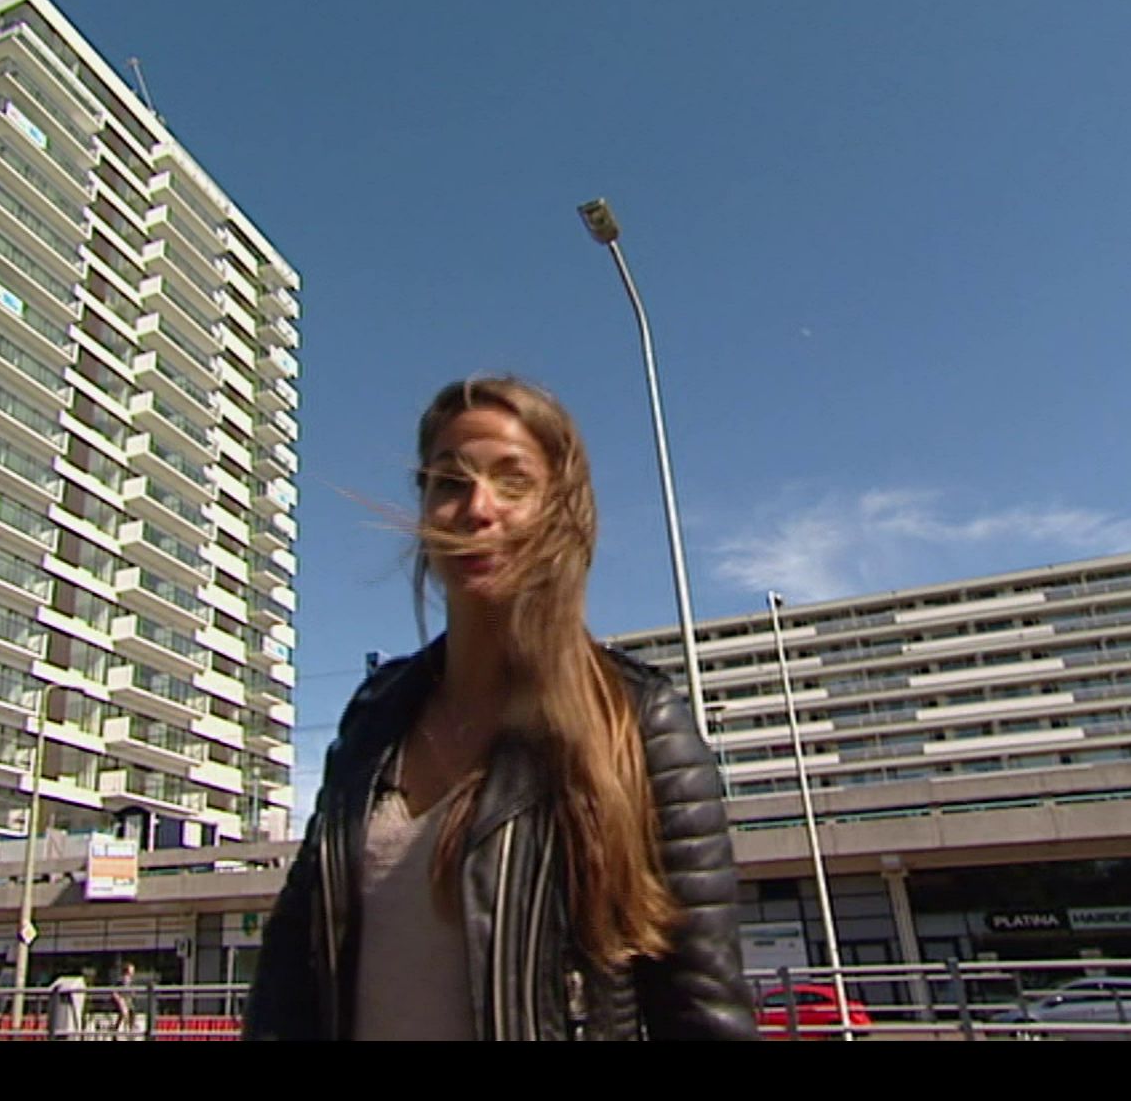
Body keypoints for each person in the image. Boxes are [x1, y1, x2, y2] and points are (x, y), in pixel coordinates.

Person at [245, 377, 757, 1041]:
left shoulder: (640, 721)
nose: (476, 509)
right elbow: (288, 980)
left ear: (559, 512)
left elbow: (704, 1013)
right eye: (449, 483)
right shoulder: (374, 718)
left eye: (513, 482)